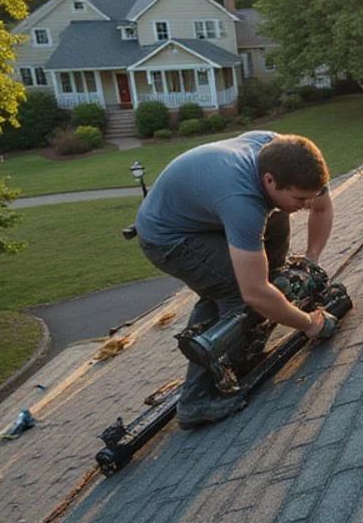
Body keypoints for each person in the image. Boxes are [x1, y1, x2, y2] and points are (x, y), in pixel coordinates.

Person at [134, 131, 341, 428]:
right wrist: (310, 324)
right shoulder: (242, 202)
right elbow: (254, 292)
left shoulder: (286, 155)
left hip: (206, 211)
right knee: (234, 290)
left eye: (310, 196)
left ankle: (243, 347)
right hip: (168, 237)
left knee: (280, 218)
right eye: (300, 198)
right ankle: (195, 400)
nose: (306, 204)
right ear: (269, 181)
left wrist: (310, 261)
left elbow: (320, 205)